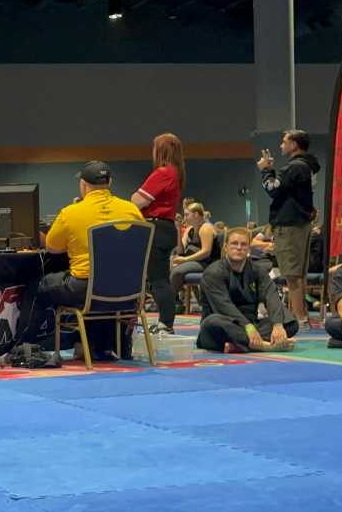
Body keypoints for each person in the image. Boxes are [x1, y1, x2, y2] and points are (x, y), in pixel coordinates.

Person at [12, 161, 144, 354]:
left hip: (85, 288)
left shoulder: (71, 212)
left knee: (37, 287)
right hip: (129, 291)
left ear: (83, 185)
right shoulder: (132, 210)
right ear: (110, 182)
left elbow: (52, 248)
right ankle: (99, 346)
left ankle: (24, 348)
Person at [197, 227, 298, 353]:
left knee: (290, 322)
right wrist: (248, 327)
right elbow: (223, 306)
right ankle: (263, 345)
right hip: (225, 324)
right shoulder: (213, 273)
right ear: (225, 246)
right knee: (211, 323)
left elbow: (271, 296)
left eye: (243, 244)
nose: (239, 247)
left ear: (249, 248)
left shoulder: (257, 271)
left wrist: (278, 326)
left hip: (252, 325)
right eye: (234, 243)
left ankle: (239, 346)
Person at [258, 129, 321, 330]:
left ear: (294, 145)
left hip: (289, 225)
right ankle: (302, 316)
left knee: (292, 275)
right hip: (301, 224)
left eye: (285, 142)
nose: (281, 145)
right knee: (299, 275)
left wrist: (266, 171)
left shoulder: (294, 167)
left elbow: (273, 189)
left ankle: (299, 318)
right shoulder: (307, 166)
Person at [131, 133, 184, 334]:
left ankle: (166, 324)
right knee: (160, 277)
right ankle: (165, 322)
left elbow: (137, 200)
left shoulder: (163, 173)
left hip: (156, 228)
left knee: (158, 279)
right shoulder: (175, 174)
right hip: (165, 228)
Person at [171, 202, 218, 309]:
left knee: (177, 271)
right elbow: (180, 250)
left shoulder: (205, 228)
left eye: (187, 214)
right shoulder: (189, 229)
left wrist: (185, 259)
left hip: (205, 262)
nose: (184, 217)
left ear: (195, 214)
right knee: (169, 266)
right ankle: (173, 300)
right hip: (191, 261)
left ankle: (168, 302)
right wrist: (178, 231)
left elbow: (206, 252)